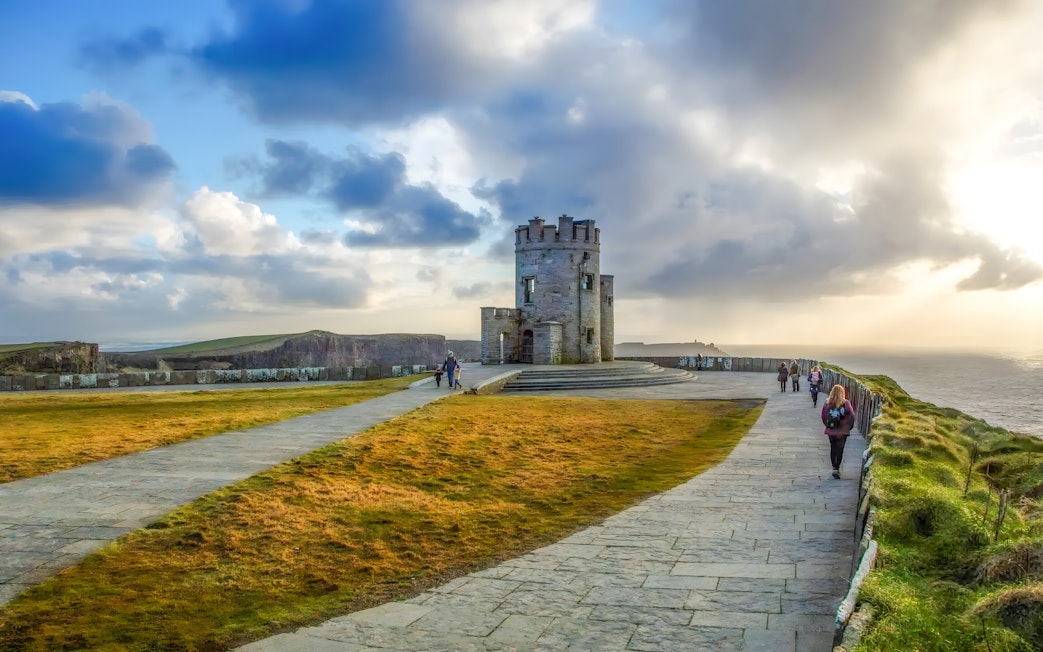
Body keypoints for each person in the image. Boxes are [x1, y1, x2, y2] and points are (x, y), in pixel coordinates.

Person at [821, 384, 856, 479]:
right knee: (840, 450)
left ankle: (834, 468)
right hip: (842, 432)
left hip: (831, 431)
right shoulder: (846, 403)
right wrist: (848, 427)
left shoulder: (827, 403)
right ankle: (837, 466)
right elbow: (852, 416)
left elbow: (823, 415)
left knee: (833, 448)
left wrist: (828, 425)